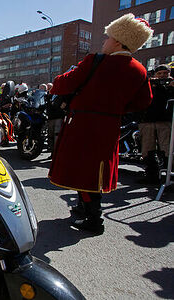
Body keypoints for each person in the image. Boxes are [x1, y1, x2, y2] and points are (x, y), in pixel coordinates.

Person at [48, 14, 153, 235]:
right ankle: (83, 207)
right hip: (110, 125)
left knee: (82, 169)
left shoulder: (96, 60)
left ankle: (95, 219)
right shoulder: (140, 70)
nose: (104, 41)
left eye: (107, 37)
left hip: (83, 123)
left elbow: (62, 85)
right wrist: (116, 110)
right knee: (96, 170)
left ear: (117, 41)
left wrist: (58, 82)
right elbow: (144, 101)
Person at [138, 64, 174, 183]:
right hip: (147, 121)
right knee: (148, 149)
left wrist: (170, 88)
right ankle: (151, 175)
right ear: (154, 75)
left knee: (167, 149)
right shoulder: (149, 85)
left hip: (165, 122)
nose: (163, 76)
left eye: (165, 73)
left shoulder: (171, 87)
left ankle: (169, 176)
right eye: (159, 74)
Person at [45, 82, 65, 157]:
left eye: (50, 87)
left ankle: (56, 153)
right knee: (50, 136)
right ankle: (52, 152)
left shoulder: (60, 94)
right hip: (50, 117)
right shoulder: (48, 96)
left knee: (57, 135)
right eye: (48, 88)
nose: (49, 89)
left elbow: (64, 102)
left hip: (58, 117)